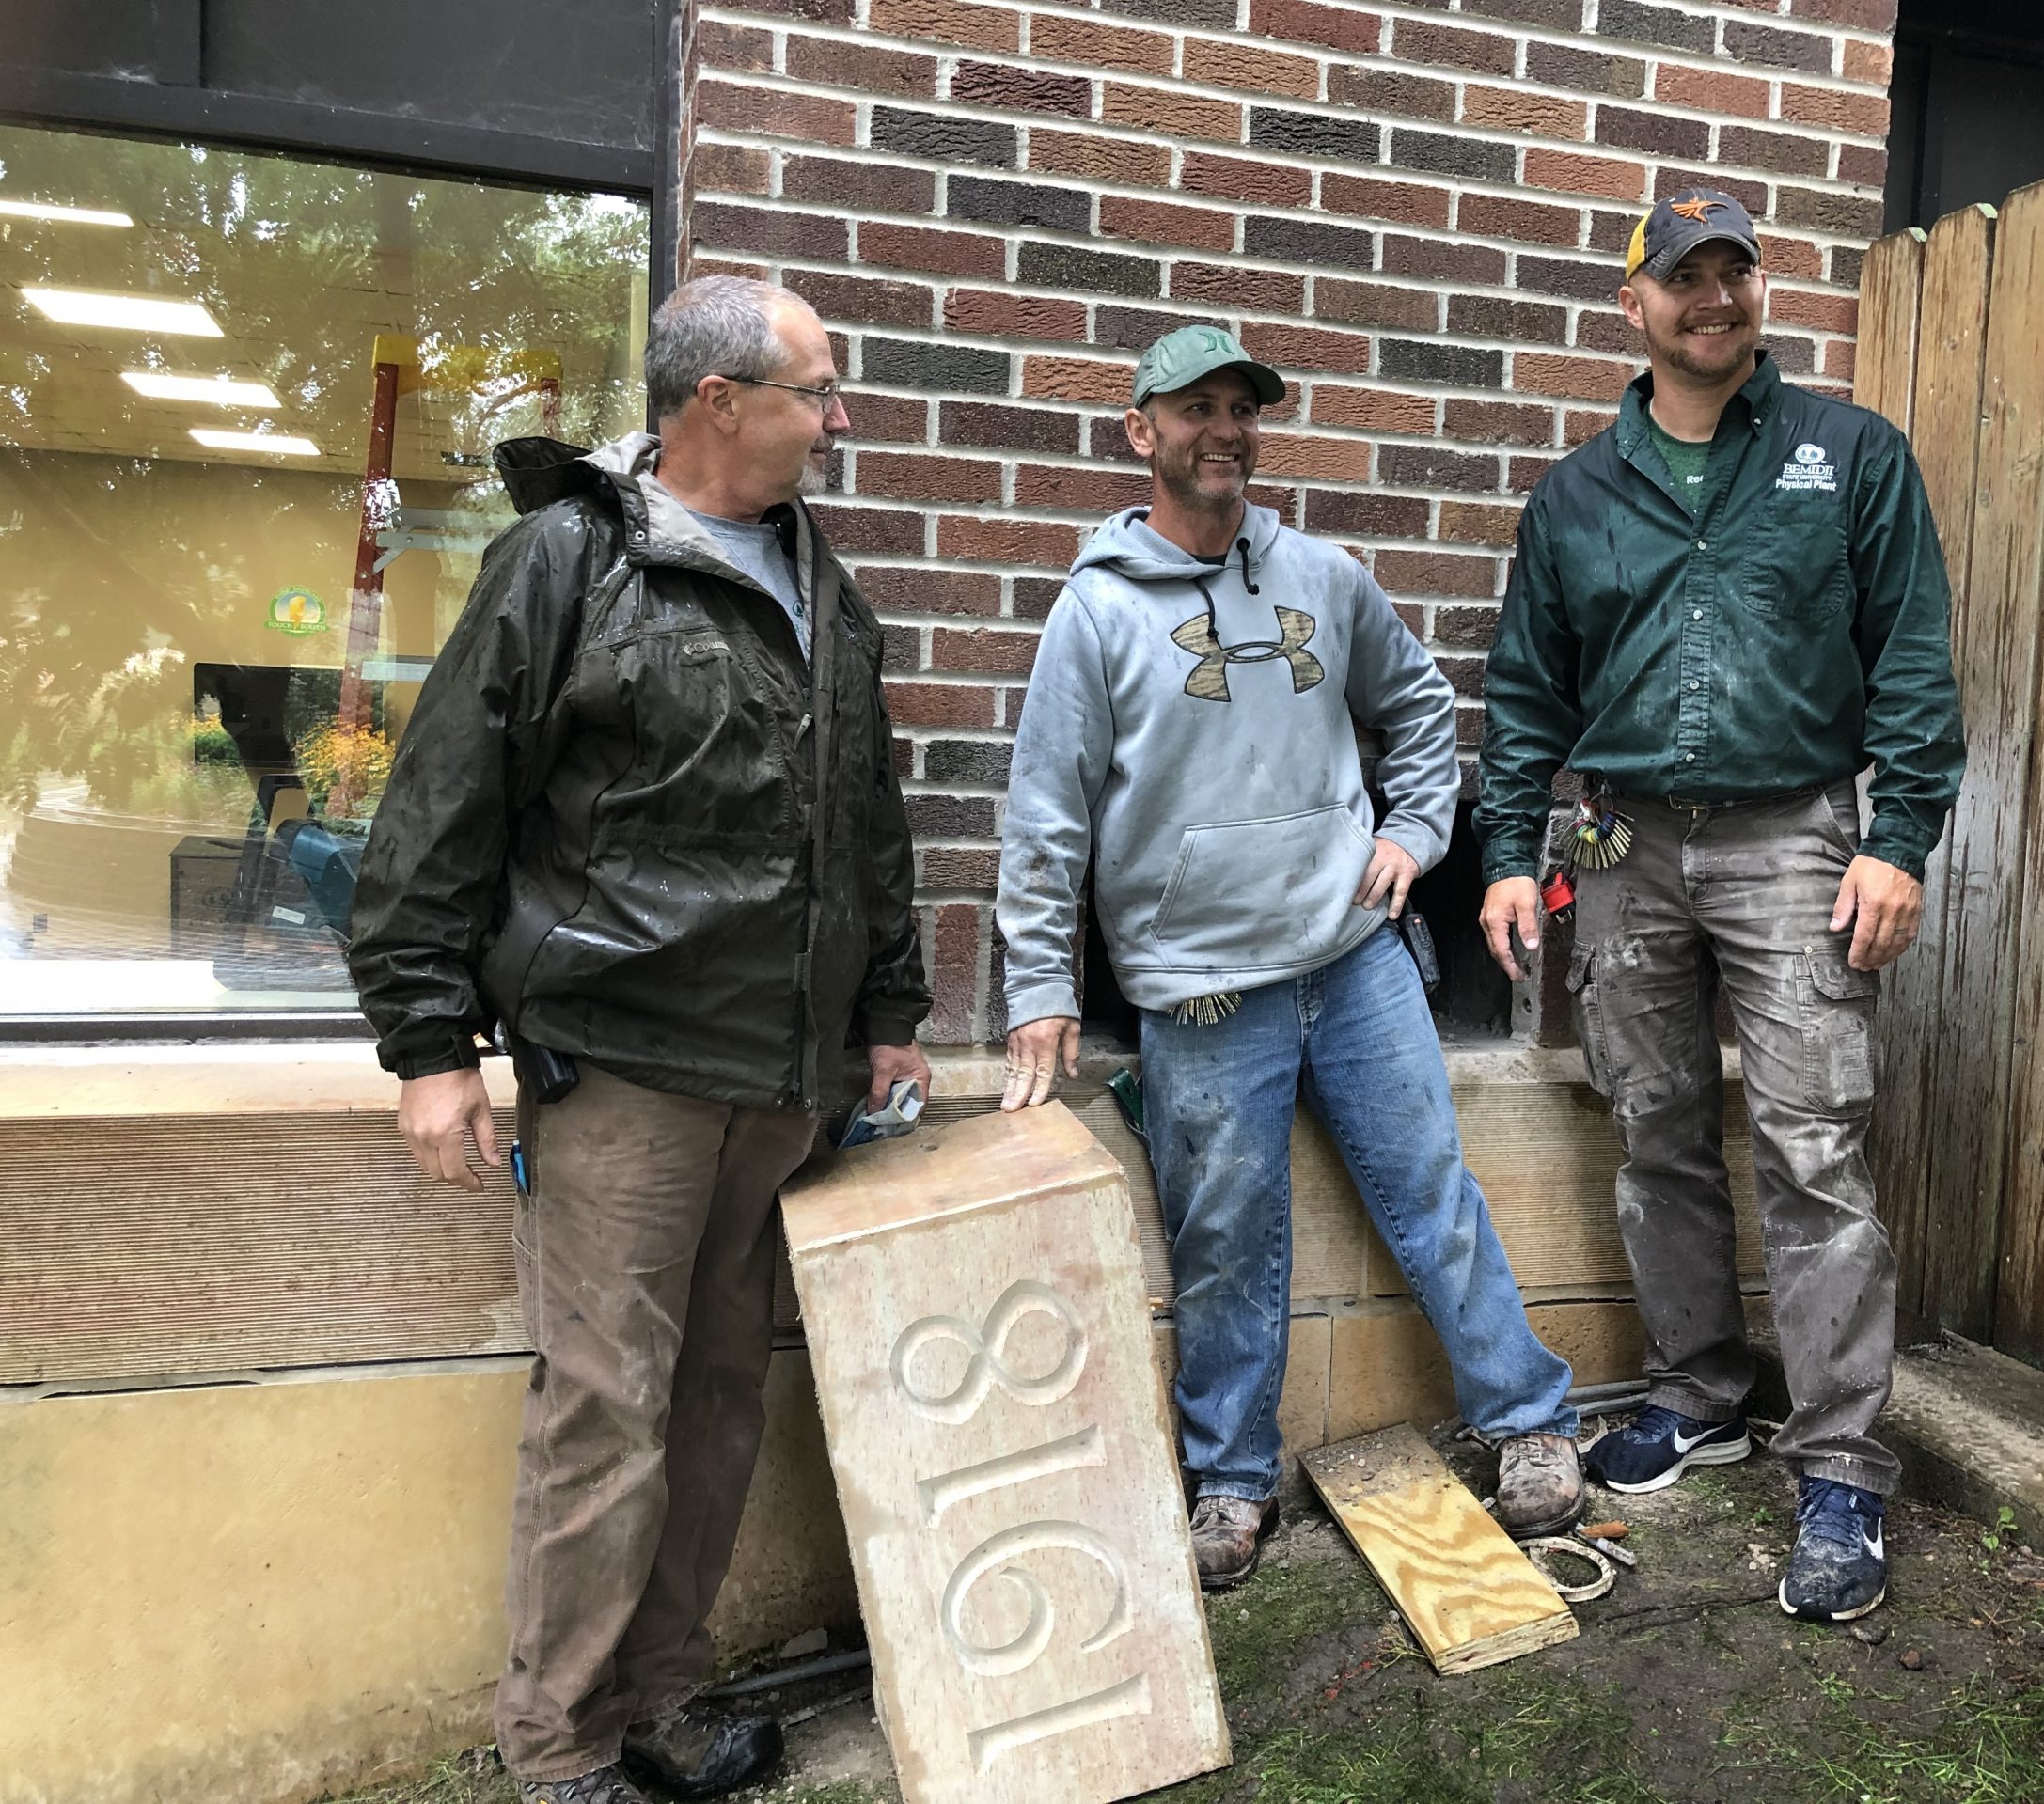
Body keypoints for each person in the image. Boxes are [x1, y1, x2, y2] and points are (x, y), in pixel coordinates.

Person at [348, 276, 931, 1804]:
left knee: (719, 1403)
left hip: (779, 1079)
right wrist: (426, 1042)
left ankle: (662, 1703)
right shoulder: (570, 562)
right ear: (719, 402)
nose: (841, 416)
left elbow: (868, 821)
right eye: (819, 389)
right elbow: (442, 803)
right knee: (605, 1415)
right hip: (618, 1074)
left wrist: (885, 1016)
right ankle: (559, 1751)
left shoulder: (821, 579)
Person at [996, 322, 1581, 1591]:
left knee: (1434, 1196)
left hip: (1354, 957)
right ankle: (1231, 1480)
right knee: (1225, 1244)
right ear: (1140, 432)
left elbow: (1422, 712)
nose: (1226, 430)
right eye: (1195, 407)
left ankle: (1532, 1424)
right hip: (1203, 992)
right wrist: (1039, 987)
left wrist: (1419, 834)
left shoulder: (1325, 575)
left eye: (1242, 409)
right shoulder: (1093, 616)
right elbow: (1045, 816)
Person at [1475, 191, 1965, 1625]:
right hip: (1620, 845)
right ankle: (1699, 1391)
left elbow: (1914, 658)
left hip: (1797, 840)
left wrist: (1903, 838)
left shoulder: (1850, 458)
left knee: (1814, 1141)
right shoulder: (1575, 495)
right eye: (1680, 277)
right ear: (1632, 307)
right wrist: (1512, 850)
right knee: (1656, 1125)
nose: (1713, 297)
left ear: (1758, 292)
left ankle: (1839, 1468)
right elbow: (1525, 694)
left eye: (1732, 271)